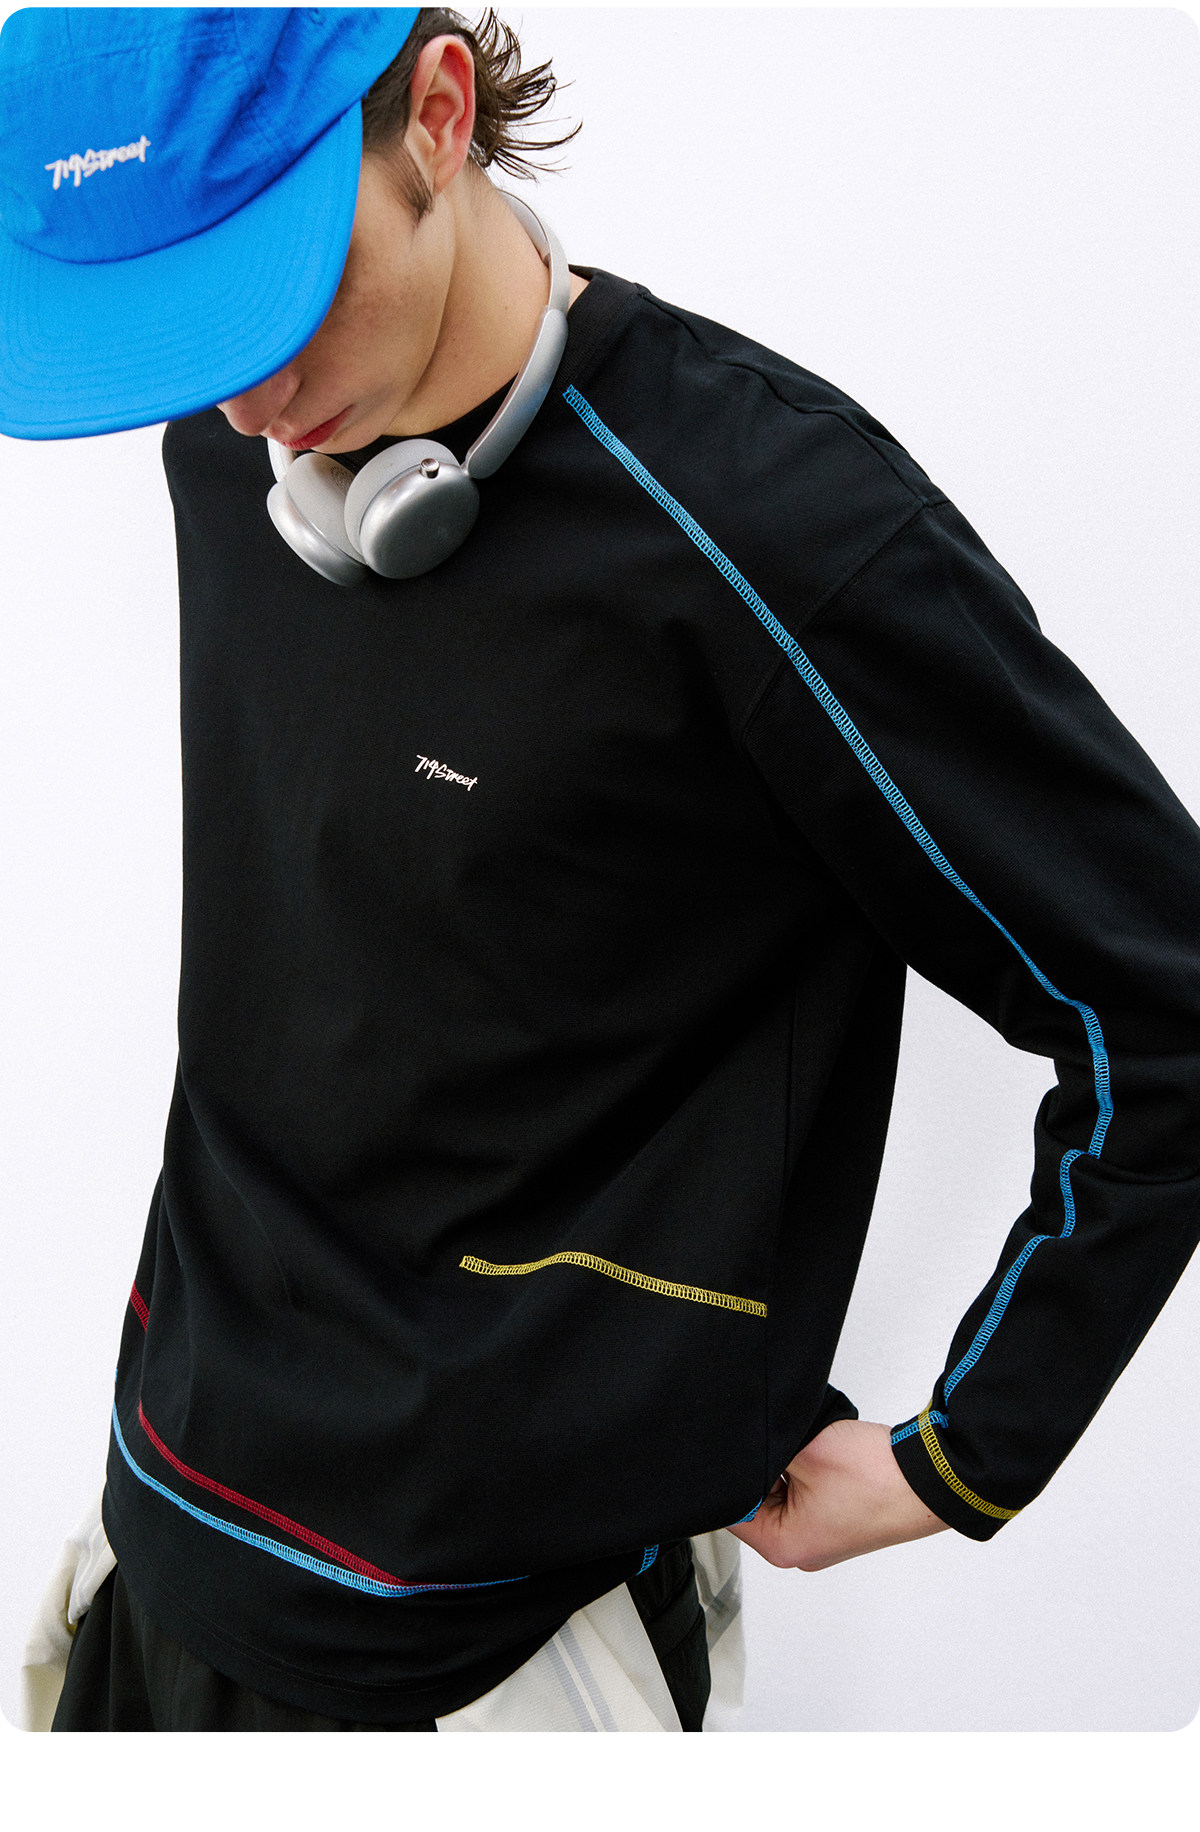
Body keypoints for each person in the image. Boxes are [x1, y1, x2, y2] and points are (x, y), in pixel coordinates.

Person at [4, 5, 1199, 1733]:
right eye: (183, 325)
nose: (248, 399)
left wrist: (962, 1454)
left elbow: (1159, 998)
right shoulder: (235, 442)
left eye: (270, 292)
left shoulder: (776, 529)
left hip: (500, 1650)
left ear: (435, 114)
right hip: (166, 1522)